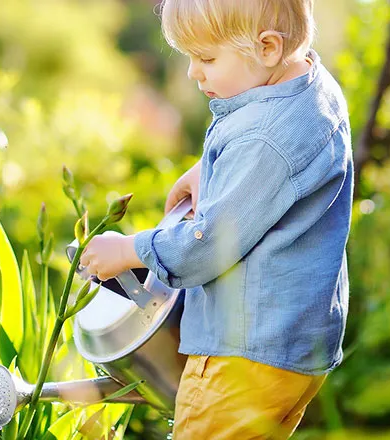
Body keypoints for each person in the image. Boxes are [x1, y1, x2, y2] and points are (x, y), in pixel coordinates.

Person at [80, 0, 352, 437]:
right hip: (292, 350)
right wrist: (212, 170)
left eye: (206, 58)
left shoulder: (264, 141)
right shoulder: (309, 87)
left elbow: (208, 244)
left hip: (242, 357)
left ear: (267, 47)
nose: (193, 72)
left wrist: (130, 249)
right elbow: (277, 170)